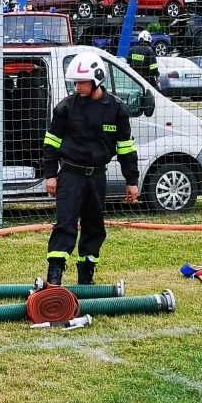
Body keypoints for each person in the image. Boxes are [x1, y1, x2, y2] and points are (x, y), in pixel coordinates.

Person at [42, 52, 139, 286]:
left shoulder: (116, 109)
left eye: (82, 82)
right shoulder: (66, 108)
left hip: (97, 177)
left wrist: (132, 180)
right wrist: (50, 175)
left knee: (94, 227)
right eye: (75, 83)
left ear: (97, 79)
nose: (77, 87)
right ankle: (54, 277)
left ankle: (86, 277)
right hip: (70, 175)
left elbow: (126, 148)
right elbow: (51, 143)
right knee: (65, 224)